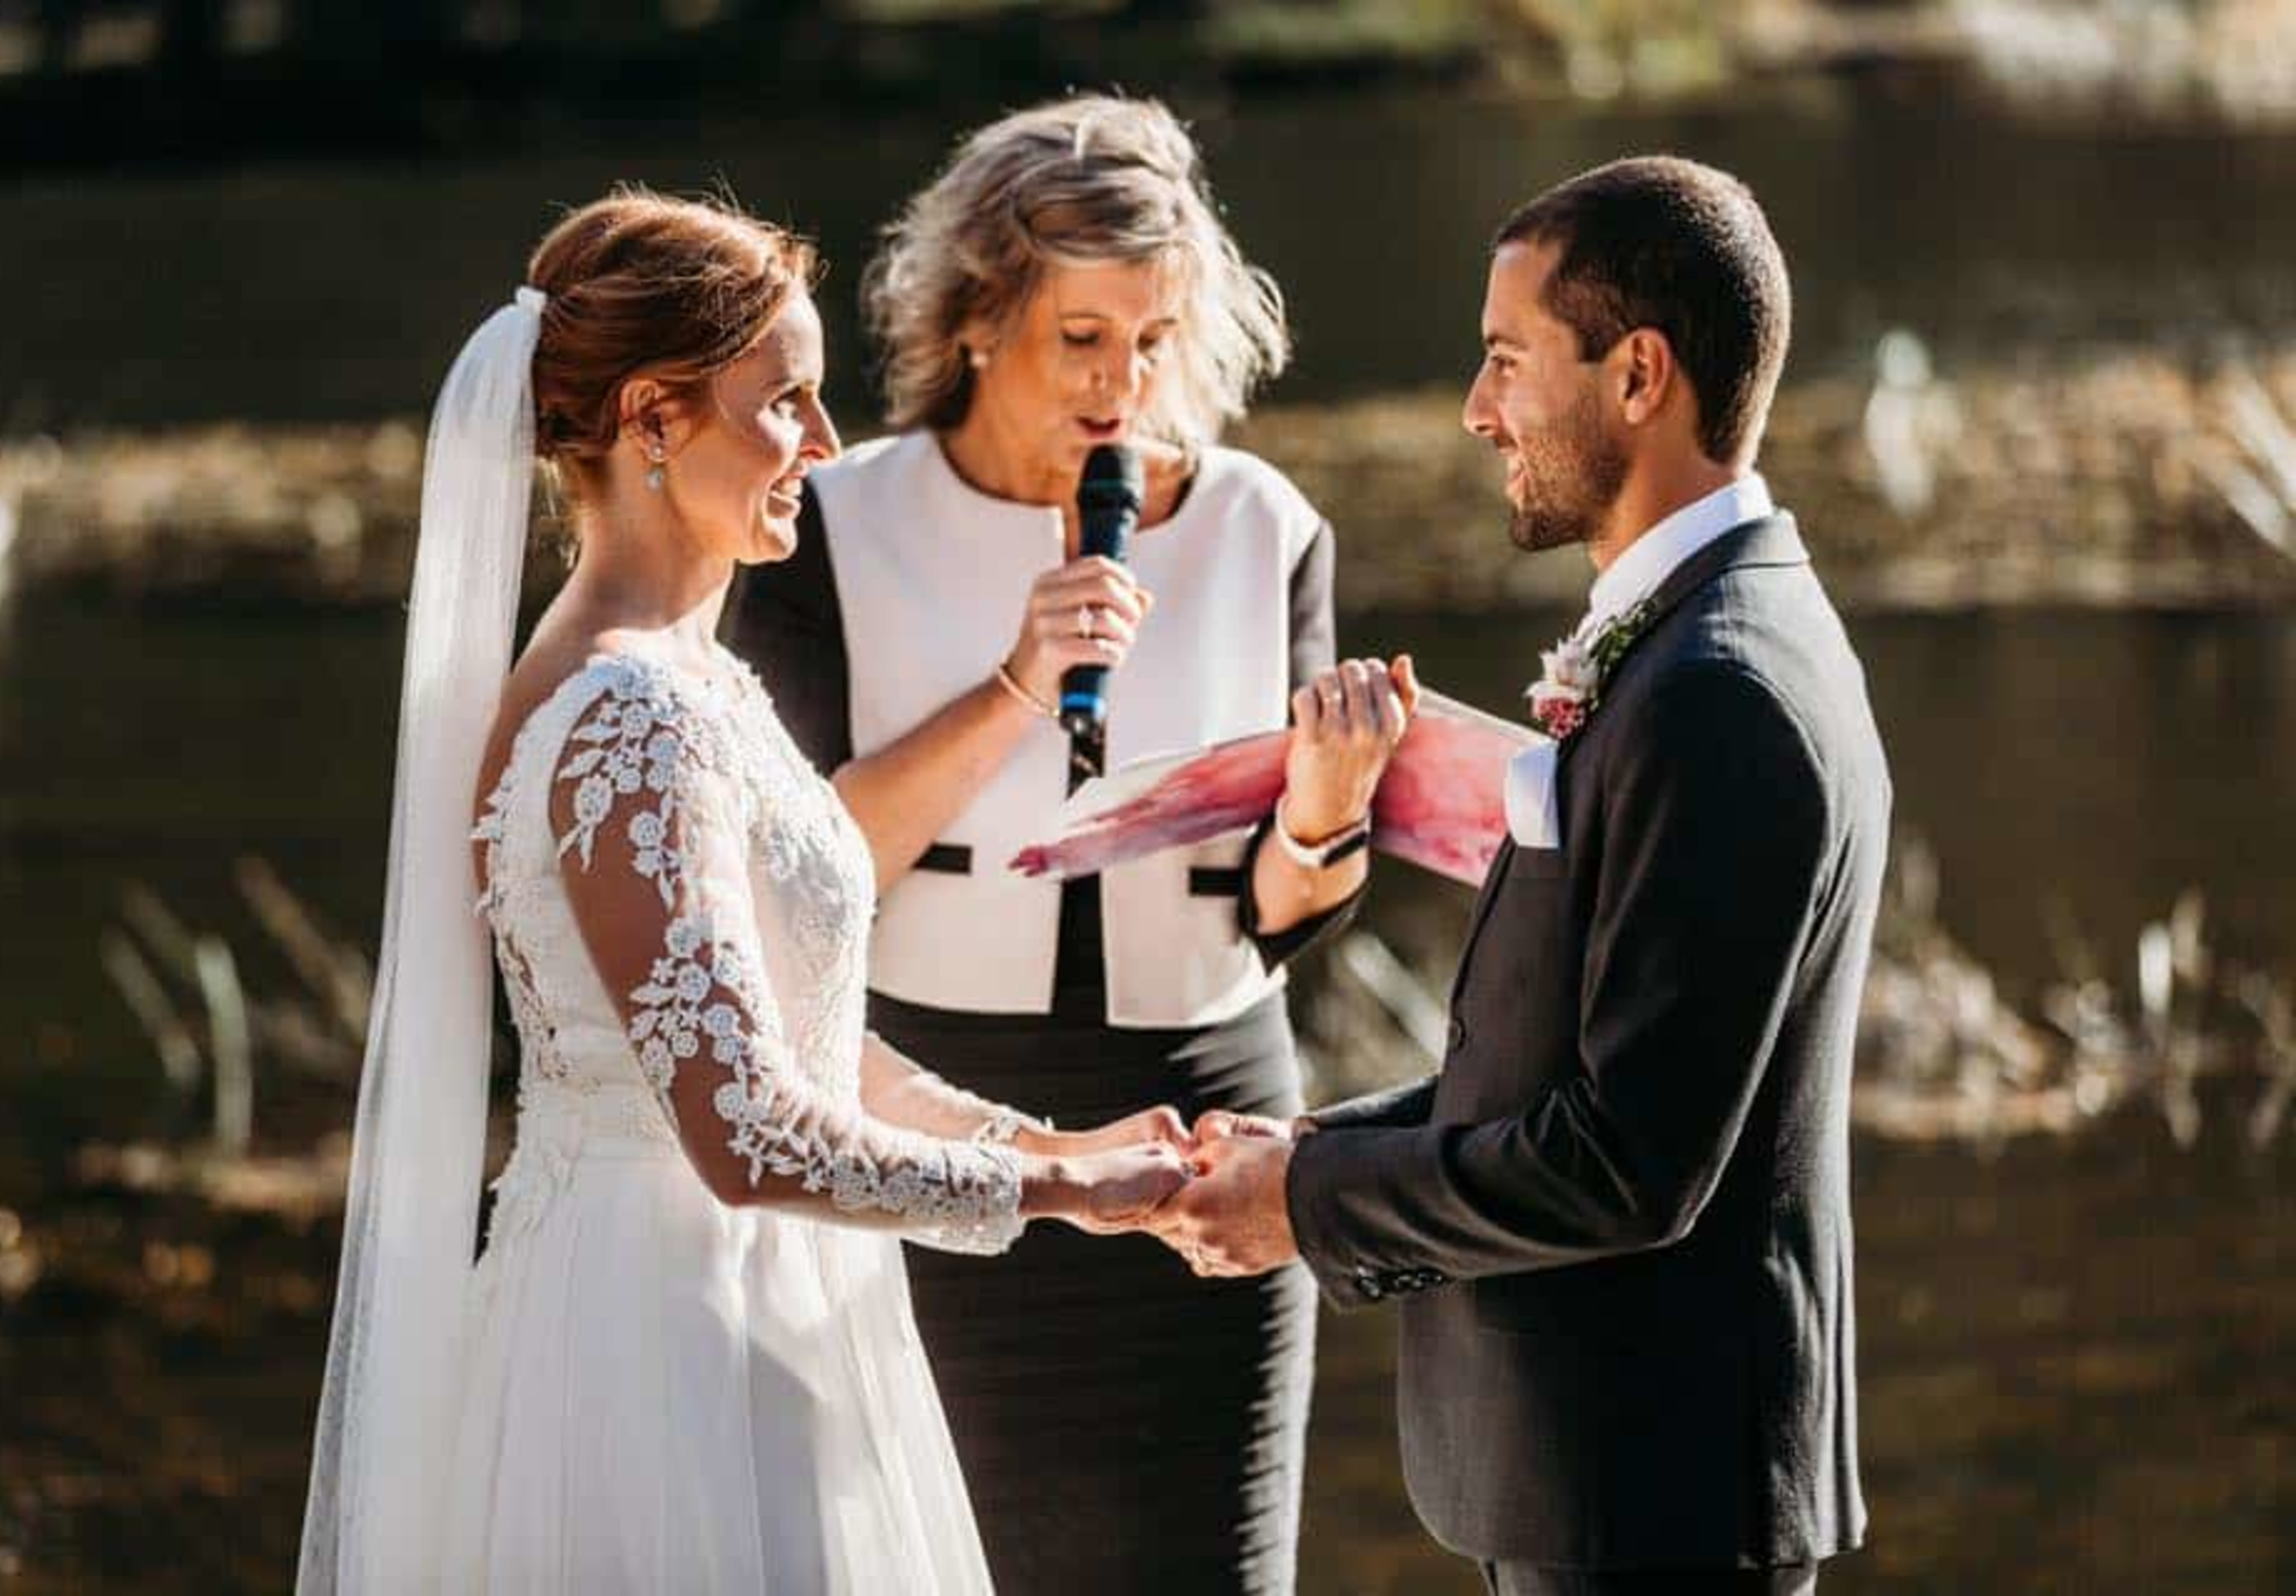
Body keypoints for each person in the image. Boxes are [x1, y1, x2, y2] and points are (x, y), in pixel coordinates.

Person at [297, 187, 1194, 1595]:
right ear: (654, 418)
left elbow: (795, 1030)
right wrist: (1058, 1192)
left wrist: (1054, 1139)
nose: (825, 448)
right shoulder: (628, 714)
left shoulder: (685, 674)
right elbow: (746, 1134)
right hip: (667, 1347)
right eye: (789, 403)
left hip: (759, 1295)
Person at [1164, 157, 1889, 1596]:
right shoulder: (1688, 640)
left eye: (1506, 360)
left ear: (1638, 375)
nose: (1475, 408)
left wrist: (1305, 1206)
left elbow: (1628, 1161)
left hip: (1656, 1499)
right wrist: (1302, 1154)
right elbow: (1553, 1065)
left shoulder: (1722, 692)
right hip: (1602, 1481)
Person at [727, 95, 1409, 1594]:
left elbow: (1281, 913)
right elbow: (789, 874)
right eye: (1082, 340)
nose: (1124, 385)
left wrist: (1328, 810)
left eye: (1154, 339)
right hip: (931, 1114)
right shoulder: (827, 528)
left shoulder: (1262, 524)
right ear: (975, 318)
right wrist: (1016, 688)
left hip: (1204, 1122)